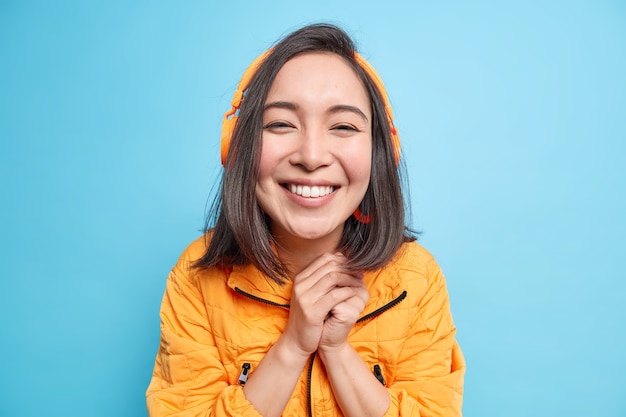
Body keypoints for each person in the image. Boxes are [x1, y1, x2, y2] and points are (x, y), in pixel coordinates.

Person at [146, 23, 465, 417]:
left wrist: (336, 350)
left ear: (381, 153)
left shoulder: (418, 279)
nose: (312, 156)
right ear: (238, 146)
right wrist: (294, 344)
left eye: (344, 127)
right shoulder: (196, 276)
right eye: (281, 124)